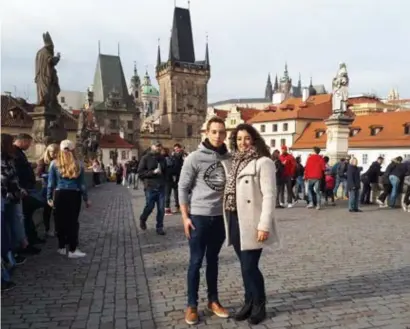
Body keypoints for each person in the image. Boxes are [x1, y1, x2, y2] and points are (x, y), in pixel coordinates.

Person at [224, 124, 279, 325]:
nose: (243, 143)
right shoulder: (234, 162)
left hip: (252, 221)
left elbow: (269, 195)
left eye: (247, 138)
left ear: (254, 139)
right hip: (234, 218)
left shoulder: (263, 162)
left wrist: (264, 225)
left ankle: (259, 304)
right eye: (239, 139)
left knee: (250, 266)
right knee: (244, 265)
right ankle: (248, 302)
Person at [178, 117, 230, 325]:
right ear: (206, 133)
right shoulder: (194, 158)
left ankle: (213, 301)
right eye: (214, 131)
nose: (218, 136)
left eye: (222, 132)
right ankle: (191, 305)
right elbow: (182, 187)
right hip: (199, 216)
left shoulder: (229, 157)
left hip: (220, 217)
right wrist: (184, 217)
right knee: (195, 261)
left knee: (214, 261)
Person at [47, 140, 90, 258]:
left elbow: (51, 183)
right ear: (73, 149)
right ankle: (72, 249)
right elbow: (82, 184)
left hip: (60, 194)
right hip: (74, 194)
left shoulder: (54, 163)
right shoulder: (79, 164)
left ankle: (61, 247)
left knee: (60, 221)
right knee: (72, 222)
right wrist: (86, 199)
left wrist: (49, 197)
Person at [13, 133, 43, 253]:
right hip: (22, 190)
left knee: (28, 215)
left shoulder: (18, 152)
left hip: (26, 188)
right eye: (29, 143)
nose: (29, 146)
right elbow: (16, 172)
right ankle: (26, 244)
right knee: (24, 217)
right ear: (23, 141)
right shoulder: (15, 153)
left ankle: (32, 238)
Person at [137, 141, 167, 235]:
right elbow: (140, 173)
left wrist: (166, 179)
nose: (158, 148)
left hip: (161, 187)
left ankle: (159, 227)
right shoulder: (145, 158)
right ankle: (143, 218)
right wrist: (153, 172)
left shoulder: (162, 158)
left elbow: (166, 171)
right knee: (150, 206)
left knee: (161, 209)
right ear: (152, 146)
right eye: (157, 146)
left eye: (160, 146)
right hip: (150, 187)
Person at [36, 143, 59, 237]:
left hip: (58, 188)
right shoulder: (43, 162)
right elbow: (38, 174)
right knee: (47, 210)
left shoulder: (60, 161)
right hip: (47, 188)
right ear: (48, 152)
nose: (54, 154)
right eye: (52, 152)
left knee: (57, 211)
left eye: (56, 152)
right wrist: (49, 176)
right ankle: (47, 229)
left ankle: (57, 229)